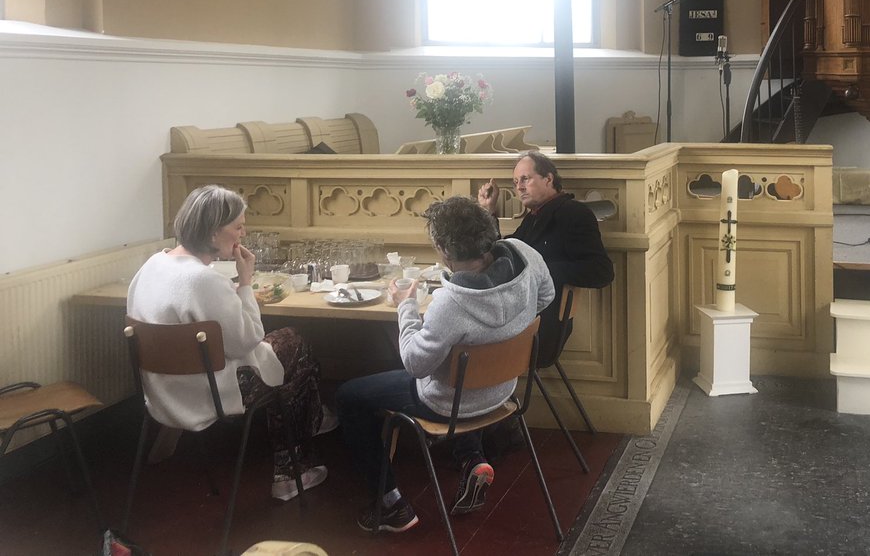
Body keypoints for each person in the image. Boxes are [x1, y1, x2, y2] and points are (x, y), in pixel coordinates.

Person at [336, 196, 555, 534]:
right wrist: (506, 330)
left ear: (442, 248)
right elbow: (547, 296)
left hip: (449, 404)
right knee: (456, 373)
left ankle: (390, 503)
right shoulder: (526, 255)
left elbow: (414, 364)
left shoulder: (450, 303)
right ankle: (472, 458)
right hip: (503, 390)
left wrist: (405, 306)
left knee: (349, 395)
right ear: (489, 232)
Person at [126, 184, 335, 501]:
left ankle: (314, 416)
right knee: (295, 343)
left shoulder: (151, 266)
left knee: (283, 351)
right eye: (237, 226)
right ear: (212, 233)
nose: (243, 233)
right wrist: (246, 283)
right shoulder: (204, 280)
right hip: (209, 395)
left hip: (160, 394)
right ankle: (291, 470)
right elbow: (247, 340)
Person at [477, 150, 614, 360]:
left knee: (463, 338)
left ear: (548, 179)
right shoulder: (535, 216)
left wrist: (541, 268)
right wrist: (488, 211)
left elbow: (602, 271)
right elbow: (503, 253)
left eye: (525, 179)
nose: (519, 187)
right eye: (515, 182)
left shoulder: (573, 213)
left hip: (541, 330)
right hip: (520, 319)